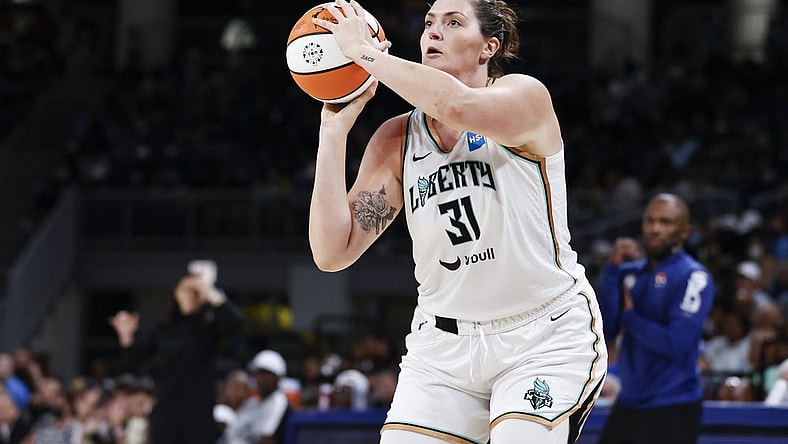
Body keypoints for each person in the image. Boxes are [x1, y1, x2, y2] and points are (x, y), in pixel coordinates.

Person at [308, 0, 608, 442]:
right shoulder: (396, 138)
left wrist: (364, 52)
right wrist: (332, 132)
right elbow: (332, 251)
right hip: (443, 350)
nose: (434, 32)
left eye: (452, 22)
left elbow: (456, 106)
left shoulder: (524, 98)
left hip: (541, 337)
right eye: (429, 23)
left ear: (489, 46)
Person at [596, 193, 715, 444]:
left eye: (665, 221)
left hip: (673, 406)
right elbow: (604, 331)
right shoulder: (630, 273)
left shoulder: (694, 277)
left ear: (684, 232)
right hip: (628, 402)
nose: (655, 228)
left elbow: (675, 342)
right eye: (649, 221)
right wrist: (612, 271)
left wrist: (630, 318)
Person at [108, 268, 243, 444]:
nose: (190, 295)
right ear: (176, 292)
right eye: (185, 290)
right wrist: (125, 336)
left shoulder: (209, 328)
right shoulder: (163, 330)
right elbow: (132, 361)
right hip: (166, 411)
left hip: (198, 413)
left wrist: (210, 292)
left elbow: (235, 322)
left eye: (195, 292)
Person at [221, 350, 291, 444]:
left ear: (277, 377)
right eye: (258, 373)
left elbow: (267, 439)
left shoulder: (278, 402)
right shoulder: (251, 403)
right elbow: (231, 432)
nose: (261, 378)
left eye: (265, 374)